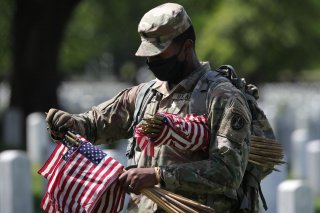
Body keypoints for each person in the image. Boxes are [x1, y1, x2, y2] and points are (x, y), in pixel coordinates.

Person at [46, 3, 252, 212]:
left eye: (159, 53)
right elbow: (94, 125)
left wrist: (157, 175)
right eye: (148, 53)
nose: (151, 60)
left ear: (187, 47)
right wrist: (69, 124)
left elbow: (228, 172)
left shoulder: (221, 97)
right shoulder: (144, 95)